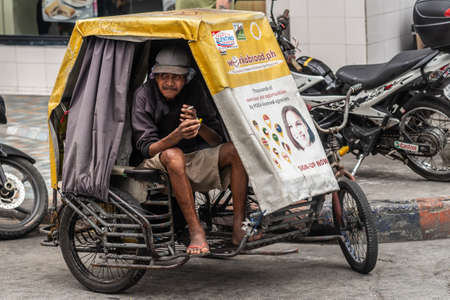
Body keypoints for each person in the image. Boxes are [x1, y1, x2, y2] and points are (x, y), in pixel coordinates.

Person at [132, 46, 250, 255]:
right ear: (155, 76)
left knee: (236, 151)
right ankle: (196, 231)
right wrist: (177, 135)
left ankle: (238, 226)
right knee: (174, 154)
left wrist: (199, 126)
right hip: (157, 160)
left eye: (176, 77)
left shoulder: (195, 90)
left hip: (193, 156)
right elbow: (148, 148)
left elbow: (216, 140)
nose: (169, 82)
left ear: (186, 78)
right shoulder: (144, 95)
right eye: (164, 77)